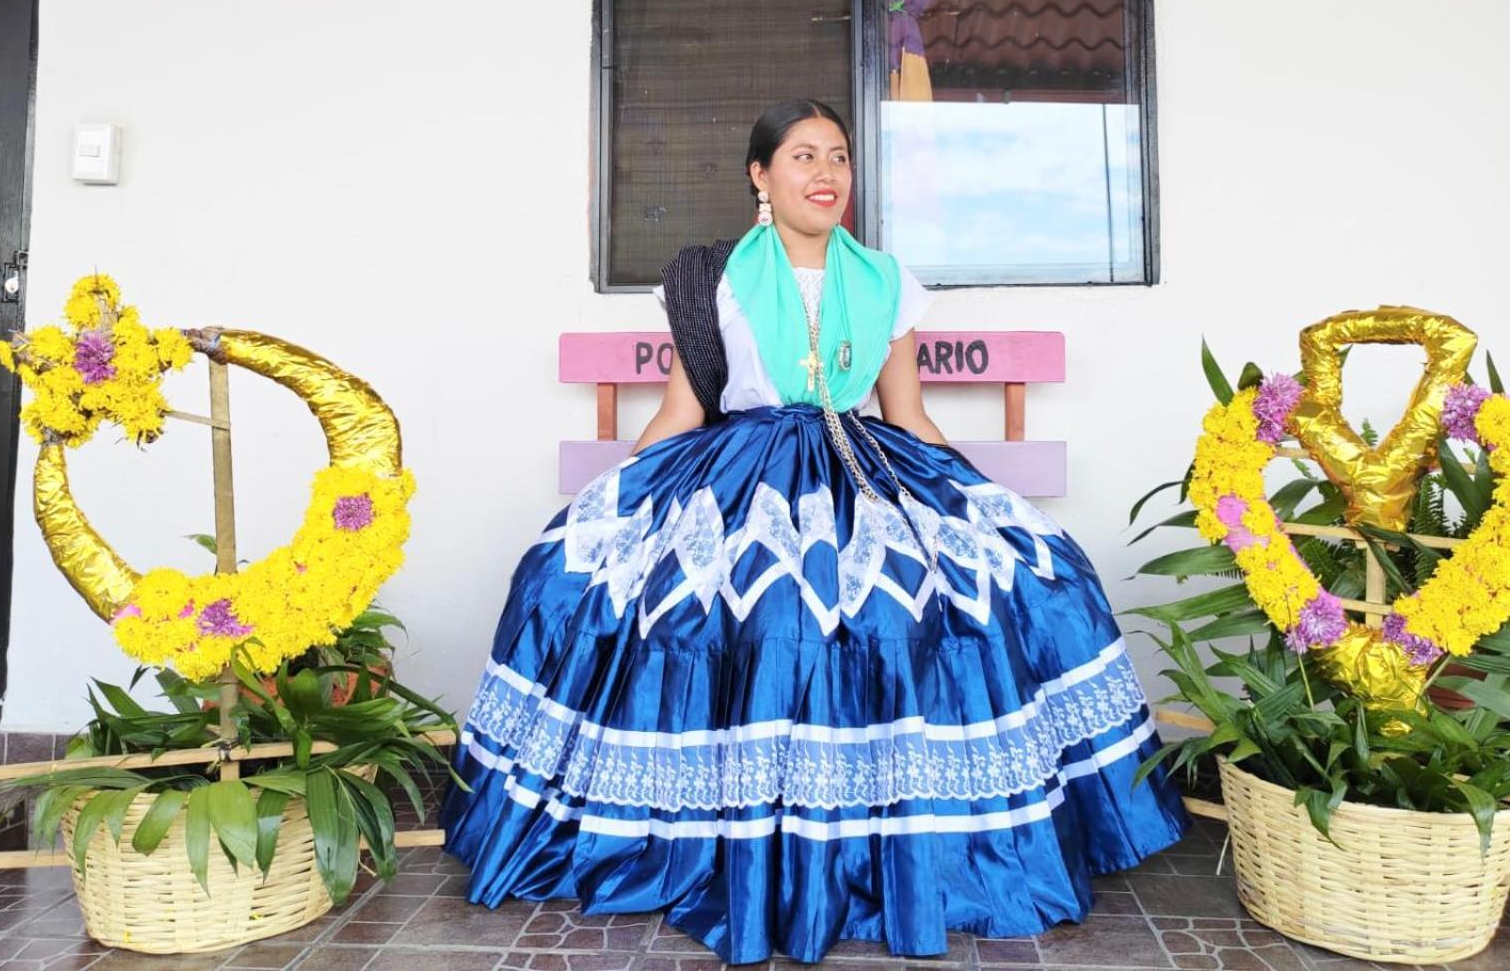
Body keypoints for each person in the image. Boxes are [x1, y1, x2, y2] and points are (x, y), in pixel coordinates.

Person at [442, 100, 1185, 964]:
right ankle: (722, 836)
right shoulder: (709, 276)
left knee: (934, 601)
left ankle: (888, 844)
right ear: (761, 176)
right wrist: (600, 506)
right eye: (802, 156)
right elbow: (684, 409)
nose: (825, 173)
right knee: (689, 603)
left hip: (865, 469)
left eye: (836, 156)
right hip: (735, 476)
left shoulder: (884, 281)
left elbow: (907, 415)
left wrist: (997, 506)